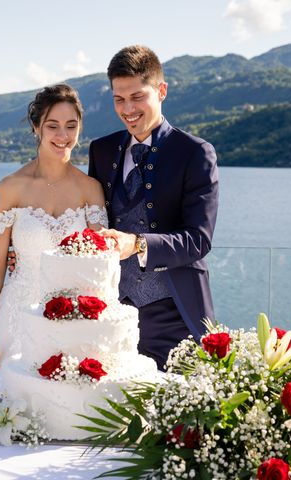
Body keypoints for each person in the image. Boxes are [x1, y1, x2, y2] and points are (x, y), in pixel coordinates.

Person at [89, 45, 219, 370]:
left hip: (174, 314)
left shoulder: (195, 153)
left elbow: (198, 240)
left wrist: (138, 244)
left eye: (137, 97)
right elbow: (88, 216)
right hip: (112, 313)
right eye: (119, 99)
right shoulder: (102, 150)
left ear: (161, 91)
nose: (128, 108)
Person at [0, 83, 108, 369]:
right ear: (36, 127)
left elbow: (99, 264)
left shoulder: (90, 189)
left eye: (71, 125)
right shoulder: (10, 188)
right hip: (15, 319)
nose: (63, 136)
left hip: (71, 320)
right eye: (53, 126)